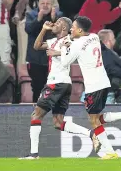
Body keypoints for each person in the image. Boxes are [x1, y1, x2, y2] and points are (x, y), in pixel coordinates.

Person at [49, 16, 121, 159]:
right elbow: (85, 45)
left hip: (93, 86)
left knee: (93, 120)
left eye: (73, 26)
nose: (71, 29)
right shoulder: (94, 37)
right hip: (104, 83)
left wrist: (65, 46)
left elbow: (66, 62)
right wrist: (71, 42)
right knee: (97, 118)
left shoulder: (76, 45)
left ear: (79, 29)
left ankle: (111, 151)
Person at [19, 17, 100, 160]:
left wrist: (57, 53)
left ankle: (34, 154)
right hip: (64, 84)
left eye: (57, 23)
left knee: (36, 115)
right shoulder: (53, 41)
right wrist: (44, 29)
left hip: (56, 83)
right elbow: (36, 46)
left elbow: (74, 51)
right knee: (58, 122)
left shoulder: (69, 40)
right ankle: (90, 134)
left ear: (64, 28)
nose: (54, 24)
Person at [25, 0, 63, 103]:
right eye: (43, 3)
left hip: (53, 58)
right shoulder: (31, 15)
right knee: (38, 87)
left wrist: (53, 19)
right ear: (38, 4)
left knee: (54, 87)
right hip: (35, 58)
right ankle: (36, 112)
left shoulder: (59, 15)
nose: (45, 5)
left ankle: (54, 111)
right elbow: (29, 30)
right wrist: (38, 19)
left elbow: (62, 32)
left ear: (52, 5)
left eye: (48, 3)